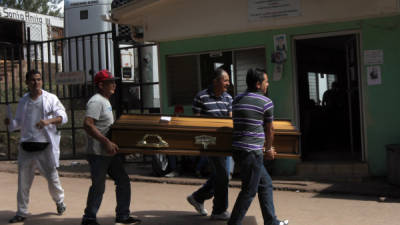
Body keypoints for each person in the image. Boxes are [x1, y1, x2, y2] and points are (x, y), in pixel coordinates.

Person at [5, 70, 68, 223]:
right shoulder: (23, 101)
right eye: (33, 80)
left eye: (39, 79)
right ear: (27, 82)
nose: (36, 83)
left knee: (52, 179)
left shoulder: (50, 98)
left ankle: (59, 201)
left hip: (44, 146)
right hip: (26, 146)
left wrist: (48, 121)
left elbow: (63, 117)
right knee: (23, 182)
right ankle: (22, 212)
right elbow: (19, 122)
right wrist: (10, 124)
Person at [228, 68, 288, 225]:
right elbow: (270, 129)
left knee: (265, 183)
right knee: (249, 190)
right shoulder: (265, 102)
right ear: (258, 84)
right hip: (252, 152)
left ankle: (271, 221)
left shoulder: (237, 99)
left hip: (238, 150)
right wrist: (268, 149)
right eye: (266, 82)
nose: (267, 84)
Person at [81, 70, 140, 225]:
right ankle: (89, 218)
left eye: (114, 81)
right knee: (99, 186)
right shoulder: (96, 101)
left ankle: (123, 215)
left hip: (108, 152)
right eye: (110, 82)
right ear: (101, 85)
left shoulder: (105, 100)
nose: (114, 84)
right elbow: (87, 124)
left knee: (123, 181)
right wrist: (106, 141)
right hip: (98, 152)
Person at [186, 67, 232, 220]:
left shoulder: (228, 98)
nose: (228, 83)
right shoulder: (201, 97)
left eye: (228, 80)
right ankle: (219, 211)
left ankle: (198, 197)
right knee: (222, 176)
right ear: (215, 81)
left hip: (226, 143)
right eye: (225, 80)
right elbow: (196, 122)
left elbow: (231, 120)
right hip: (210, 143)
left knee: (225, 176)